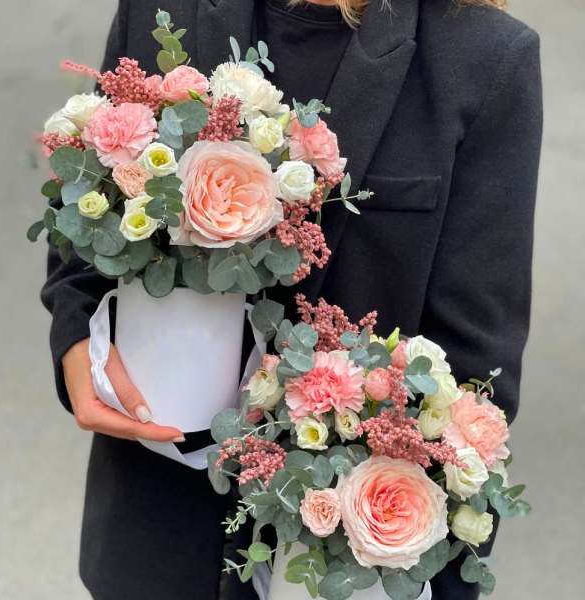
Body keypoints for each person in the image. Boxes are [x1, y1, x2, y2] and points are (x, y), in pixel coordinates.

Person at [41, 1, 543, 598]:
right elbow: (88, 212)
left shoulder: (484, 58)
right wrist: (75, 337)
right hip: (154, 532)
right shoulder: (166, 9)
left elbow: (477, 375)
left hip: (340, 562)